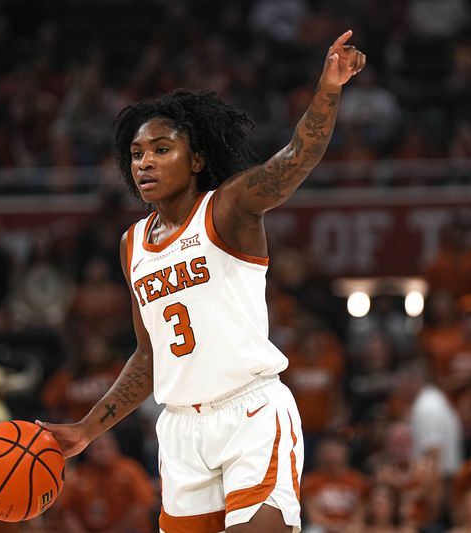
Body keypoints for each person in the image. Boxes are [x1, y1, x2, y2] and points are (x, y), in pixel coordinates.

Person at [37, 30, 366, 533]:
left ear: (195, 160)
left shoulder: (227, 208)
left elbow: (296, 158)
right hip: (180, 431)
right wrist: (86, 430)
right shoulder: (132, 245)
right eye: (136, 153)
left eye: (161, 149)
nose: (144, 161)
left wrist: (329, 88)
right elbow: (149, 357)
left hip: (249, 413)